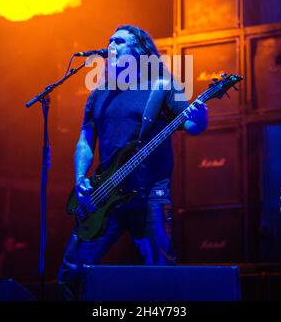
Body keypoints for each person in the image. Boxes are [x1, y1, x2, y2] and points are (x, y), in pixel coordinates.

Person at [58, 25, 208, 300]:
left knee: (160, 271)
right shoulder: (99, 94)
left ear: (139, 50)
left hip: (151, 193)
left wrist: (200, 119)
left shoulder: (162, 86)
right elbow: (85, 139)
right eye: (109, 39)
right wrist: (81, 179)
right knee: (72, 270)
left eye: (119, 40)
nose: (110, 44)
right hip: (106, 194)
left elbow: (190, 125)